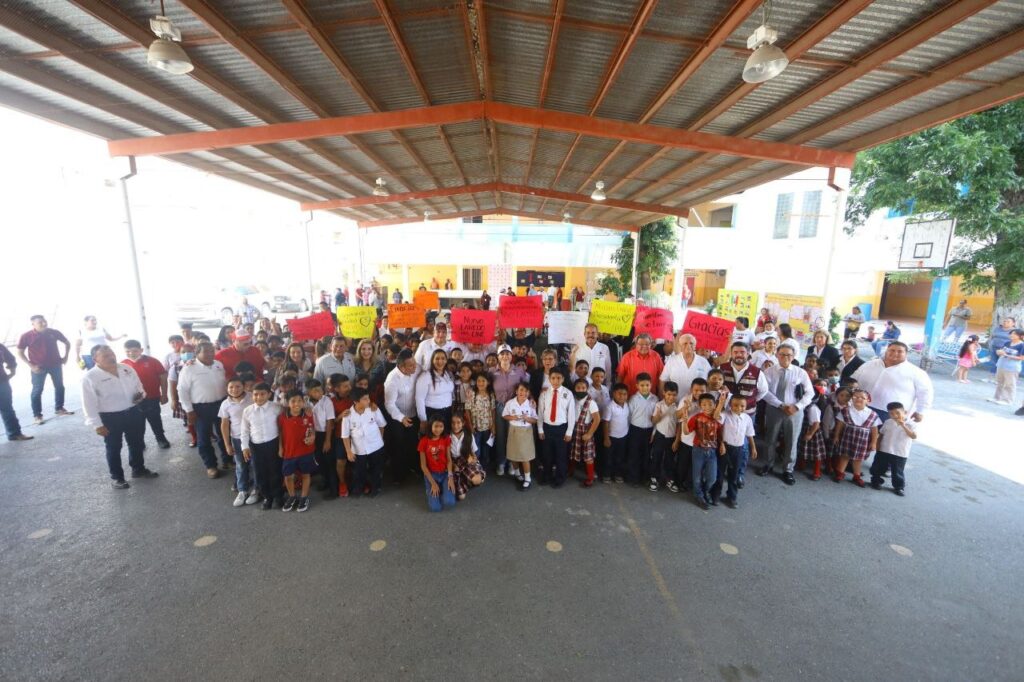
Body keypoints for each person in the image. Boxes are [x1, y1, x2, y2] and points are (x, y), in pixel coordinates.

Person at [81, 345, 157, 488]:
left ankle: (138, 469)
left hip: (133, 411)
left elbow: (139, 386)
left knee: (136, 443)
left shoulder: (126, 368)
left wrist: (140, 395)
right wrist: (97, 425)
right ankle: (117, 478)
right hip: (109, 417)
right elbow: (88, 404)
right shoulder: (90, 377)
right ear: (95, 359)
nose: (111, 357)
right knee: (114, 447)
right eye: (105, 356)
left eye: (112, 353)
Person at [177, 341, 229, 478]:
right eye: (206, 351)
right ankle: (211, 466)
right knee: (204, 438)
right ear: (197, 353)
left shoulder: (218, 365)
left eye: (212, 351)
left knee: (224, 434)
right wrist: (189, 410)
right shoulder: (189, 368)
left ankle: (227, 460)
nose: (210, 354)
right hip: (200, 408)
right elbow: (182, 391)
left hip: (221, 404)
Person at [852, 342, 933, 423]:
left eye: (900, 351)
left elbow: (925, 393)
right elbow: (853, 379)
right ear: (886, 351)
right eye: (892, 350)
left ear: (906, 354)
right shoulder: (870, 364)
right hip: (861, 406)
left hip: (890, 413)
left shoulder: (916, 372)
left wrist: (920, 411)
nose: (895, 353)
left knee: (885, 434)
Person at [17, 315, 74, 425]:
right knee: (37, 390)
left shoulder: (53, 332)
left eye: (44, 321)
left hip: (55, 365)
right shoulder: (26, 336)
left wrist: (65, 356)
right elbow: (20, 352)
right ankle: (37, 415)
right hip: (38, 367)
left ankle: (59, 408)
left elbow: (67, 343)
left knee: (59, 386)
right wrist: (31, 366)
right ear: (33, 324)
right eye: (40, 322)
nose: (43, 324)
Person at [121, 339, 170, 449]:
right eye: (128, 351)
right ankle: (140, 442)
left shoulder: (153, 361)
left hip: (152, 397)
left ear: (141, 350)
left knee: (155, 419)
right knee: (137, 423)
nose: (131, 353)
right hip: (133, 401)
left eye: (134, 350)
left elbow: (163, 377)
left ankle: (160, 438)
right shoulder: (122, 364)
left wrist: (164, 394)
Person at [490, 345, 528, 476]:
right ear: (498, 356)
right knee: (500, 435)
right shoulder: (491, 371)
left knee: (513, 435)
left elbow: (526, 388)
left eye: (508, 354)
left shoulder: (519, 371)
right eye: (502, 354)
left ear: (512, 356)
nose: (505, 356)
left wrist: (531, 399)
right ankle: (501, 462)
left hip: (514, 407)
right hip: (499, 406)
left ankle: (513, 463)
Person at [342, 387, 387, 498]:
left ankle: (376, 488)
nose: (369, 401)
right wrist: (348, 452)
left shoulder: (373, 409)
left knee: (376, 469)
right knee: (359, 470)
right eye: (365, 399)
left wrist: (379, 440)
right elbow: (345, 435)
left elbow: (382, 425)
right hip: (359, 449)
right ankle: (358, 488)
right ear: (356, 401)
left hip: (376, 447)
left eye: (368, 398)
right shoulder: (348, 415)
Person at [681, 392, 723, 510]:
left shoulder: (717, 418)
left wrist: (721, 403)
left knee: (712, 477)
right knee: (697, 476)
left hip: (712, 451)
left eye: (710, 404)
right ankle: (699, 496)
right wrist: (684, 421)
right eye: (704, 404)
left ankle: (705, 491)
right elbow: (686, 432)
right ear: (700, 406)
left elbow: (719, 432)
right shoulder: (696, 417)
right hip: (698, 450)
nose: (707, 407)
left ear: (715, 405)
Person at [218, 378, 256, 507]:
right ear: (227, 389)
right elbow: (224, 424)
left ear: (244, 386)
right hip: (237, 438)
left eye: (238, 386)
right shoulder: (225, 404)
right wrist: (227, 444)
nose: (234, 389)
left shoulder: (252, 397)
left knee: (255, 464)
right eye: (231, 387)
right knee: (240, 465)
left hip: (254, 437)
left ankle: (257, 490)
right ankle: (242, 490)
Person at [384, 350, 419, 485]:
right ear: (401, 367)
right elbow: (389, 404)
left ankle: (412, 468)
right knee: (399, 446)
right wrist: (401, 418)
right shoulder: (392, 380)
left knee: (412, 443)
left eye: (414, 364)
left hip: (413, 414)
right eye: (411, 366)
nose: (415, 367)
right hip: (398, 418)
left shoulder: (415, 370)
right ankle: (399, 476)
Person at [277, 391, 316, 512]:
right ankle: (292, 496)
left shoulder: (308, 415)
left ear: (303, 402)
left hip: (306, 451)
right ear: (287, 403)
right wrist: (280, 447)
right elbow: (280, 433)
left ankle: (304, 497)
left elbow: (312, 430)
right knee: (288, 476)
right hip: (289, 452)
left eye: (299, 400)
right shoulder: (282, 417)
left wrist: (312, 437)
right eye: (293, 401)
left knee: (305, 475)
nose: (296, 404)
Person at [536, 367, 575, 488]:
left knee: (561, 455)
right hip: (547, 428)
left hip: (561, 429)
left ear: (563, 379)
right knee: (547, 454)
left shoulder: (568, 394)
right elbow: (540, 413)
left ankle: (560, 478)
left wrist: (569, 432)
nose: (556, 380)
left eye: (559, 378)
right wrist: (540, 429)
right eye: (553, 378)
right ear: (549, 378)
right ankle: (547, 475)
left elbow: (571, 414)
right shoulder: (544, 394)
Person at [831, 388, 879, 486]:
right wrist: (836, 436)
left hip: (862, 440)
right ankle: (840, 473)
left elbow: (874, 430)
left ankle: (856, 476)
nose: (859, 399)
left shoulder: (872, 414)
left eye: (862, 397)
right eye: (855, 397)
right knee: (844, 456)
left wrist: (874, 442)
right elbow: (839, 424)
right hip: (848, 437)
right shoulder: (845, 411)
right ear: (851, 399)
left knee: (858, 459)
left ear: (868, 400)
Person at [869, 401, 917, 496]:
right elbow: (881, 434)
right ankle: (876, 481)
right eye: (891, 413)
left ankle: (899, 487)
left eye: (898, 413)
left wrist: (903, 425)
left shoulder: (911, 424)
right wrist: (878, 446)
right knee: (878, 467)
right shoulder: (888, 422)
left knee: (897, 471)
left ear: (905, 412)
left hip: (900, 452)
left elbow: (914, 436)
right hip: (884, 449)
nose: (895, 415)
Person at [718, 395, 757, 509]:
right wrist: (721, 403)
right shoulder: (725, 415)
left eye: (742, 406)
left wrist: (753, 448)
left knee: (733, 474)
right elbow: (717, 418)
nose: (739, 408)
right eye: (735, 405)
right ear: (730, 405)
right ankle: (715, 495)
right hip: (725, 448)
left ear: (746, 406)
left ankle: (731, 497)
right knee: (720, 474)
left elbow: (750, 434)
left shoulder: (747, 418)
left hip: (738, 449)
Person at [502, 382, 538, 490]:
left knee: (525, 456)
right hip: (513, 431)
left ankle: (527, 478)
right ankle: (517, 473)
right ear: (516, 391)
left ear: (528, 393)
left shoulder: (531, 403)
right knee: (513, 454)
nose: (523, 392)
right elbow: (504, 415)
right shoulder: (510, 403)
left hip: (526, 431)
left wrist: (527, 419)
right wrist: (513, 417)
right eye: (521, 390)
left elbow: (535, 420)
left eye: (526, 391)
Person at [719, 342, 768, 418]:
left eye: (742, 352)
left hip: (747, 414)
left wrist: (751, 400)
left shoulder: (757, 372)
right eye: (735, 352)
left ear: (748, 354)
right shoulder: (722, 368)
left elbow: (763, 391)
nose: (739, 355)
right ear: (731, 354)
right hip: (726, 413)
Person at [625, 372, 657, 486]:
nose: (645, 387)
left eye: (647, 385)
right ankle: (633, 478)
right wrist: (629, 432)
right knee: (634, 455)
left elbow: (656, 418)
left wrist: (654, 433)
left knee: (646, 455)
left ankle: (645, 477)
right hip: (635, 430)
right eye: (642, 385)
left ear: (651, 385)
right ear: (637, 386)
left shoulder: (655, 399)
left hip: (649, 431)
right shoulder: (633, 399)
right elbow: (628, 416)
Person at [305, 378, 336, 497]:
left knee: (329, 461)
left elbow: (330, 421)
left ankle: (334, 490)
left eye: (320, 390)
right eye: (315, 391)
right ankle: (325, 481)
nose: (319, 393)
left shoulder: (326, 401)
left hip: (325, 434)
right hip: (314, 434)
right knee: (319, 459)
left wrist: (327, 441)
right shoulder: (306, 402)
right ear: (309, 392)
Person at [568, 377, 601, 487]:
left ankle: (590, 477)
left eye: (583, 388)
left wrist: (589, 434)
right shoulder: (572, 399)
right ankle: (571, 470)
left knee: (588, 456)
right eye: (578, 388)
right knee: (573, 452)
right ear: (574, 389)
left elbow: (597, 419)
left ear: (587, 389)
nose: (581, 390)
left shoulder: (591, 402)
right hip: (574, 429)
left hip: (586, 431)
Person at [418, 418, 456, 510]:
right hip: (431, 475)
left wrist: (450, 477)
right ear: (431, 426)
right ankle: (437, 487)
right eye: (436, 426)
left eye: (441, 426)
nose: (438, 429)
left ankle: (443, 488)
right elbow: (423, 465)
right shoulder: (423, 441)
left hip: (444, 473)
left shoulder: (446, 438)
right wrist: (433, 483)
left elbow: (449, 459)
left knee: (449, 502)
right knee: (435, 508)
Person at [648, 381, 679, 492]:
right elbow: (653, 421)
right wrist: (658, 416)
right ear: (664, 393)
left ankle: (669, 479)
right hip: (659, 436)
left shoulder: (677, 407)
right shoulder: (659, 405)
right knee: (656, 457)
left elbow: (679, 424)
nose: (671, 397)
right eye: (669, 394)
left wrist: (676, 440)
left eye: (674, 395)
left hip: (671, 437)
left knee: (670, 459)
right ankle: (654, 479)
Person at [797, 381, 829, 480]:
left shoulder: (813, 408)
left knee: (816, 454)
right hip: (806, 429)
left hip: (813, 432)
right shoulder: (807, 406)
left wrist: (810, 434)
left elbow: (816, 424)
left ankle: (817, 471)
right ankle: (801, 465)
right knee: (803, 449)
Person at [416, 349, 454, 430]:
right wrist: (423, 419)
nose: (440, 361)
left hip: (447, 412)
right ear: (432, 360)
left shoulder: (448, 374)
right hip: (432, 414)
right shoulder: (425, 376)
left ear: (446, 360)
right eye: (437, 358)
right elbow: (419, 399)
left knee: (445, 439)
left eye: (443, 358)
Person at [449, 413, 485, 500]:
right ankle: (464, 479)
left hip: (466, 459)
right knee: (461, 497)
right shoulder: (448, 436)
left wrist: (473, 458)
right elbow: (447, 456)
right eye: (453, 423)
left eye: (458, 423)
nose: (455, 426)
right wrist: (453, 466)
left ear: (463, 423)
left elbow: (473, 452)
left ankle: (478, 474)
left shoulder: (469, 435)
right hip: (455, 462)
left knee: (477, 480)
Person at [0, 343, 31, 441]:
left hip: (2, 382)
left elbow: (10, 358)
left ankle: (14, 433)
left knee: (7, 409)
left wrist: (12, 371)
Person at [601, 383, 630, 483]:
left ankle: (618, 474)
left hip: (623, 437)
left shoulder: (627, 405)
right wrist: (606, 438)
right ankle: (606, 475)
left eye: (624, 394)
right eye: (619, 394)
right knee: (608, 458)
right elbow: (605, 422)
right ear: (613, 394)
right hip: (611, 437)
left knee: (620, 457)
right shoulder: (610, 406)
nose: (622, 396)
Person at [990, 328, 1024, 406]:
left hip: (1012, 368)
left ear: (1020, 336)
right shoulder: (1007, 343)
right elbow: (1000, 351)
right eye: (1011, 333)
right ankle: (997, 397)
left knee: (1010, 384)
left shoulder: (1022, 345)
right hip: (1001, 365)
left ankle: (1008, 400)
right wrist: (998, 352)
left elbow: (1022, 358)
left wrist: (1007, 355)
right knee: (1000, 382)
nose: (1011, 335)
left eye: (1014, 334)